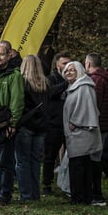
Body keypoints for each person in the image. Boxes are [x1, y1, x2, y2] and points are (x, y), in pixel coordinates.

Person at [62, 61, 103, 206]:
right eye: (66, 70)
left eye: (72, 70)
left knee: (80, 167)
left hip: (82, 133)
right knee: (80, 166)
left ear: (79, 71)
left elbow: (87, 108)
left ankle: (79, 198)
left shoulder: (84, 87)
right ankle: (81, 197)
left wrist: (75, 123)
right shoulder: (73, 87)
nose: (68, 72)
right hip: (76, 134)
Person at [0, 41, 24, 205]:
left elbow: (17, 101)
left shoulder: (14, 75)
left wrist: (13, 123)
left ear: (9, 55)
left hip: (6, 123)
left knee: (6, 160)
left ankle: (4, 193)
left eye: (1, 54)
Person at [14, 55, 50, 202]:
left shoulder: (22, 83)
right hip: (41, 127)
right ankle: (35, 193)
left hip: (26, 125)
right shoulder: (45, 84)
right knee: (35, 161)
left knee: (22, 161)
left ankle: (26, 194)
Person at [84, 53, 108, 205]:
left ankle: (95, 194)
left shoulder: (96, 80)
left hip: (95, 125)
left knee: (93, 160)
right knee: (95, 159)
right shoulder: (106, 78)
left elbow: (93, 104)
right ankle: (95, 192)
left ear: (88, 64)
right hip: (104, 124)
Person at [42, 53, 70, 195]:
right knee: (50, 156)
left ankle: (67, 183)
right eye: (64, 63)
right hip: (54, 123)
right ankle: (47, 184)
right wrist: (66, 83)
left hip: (69, 123)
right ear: (57, 65)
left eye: (69, 63)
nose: (67, 66)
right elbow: (50, 92)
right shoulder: (50, 79)